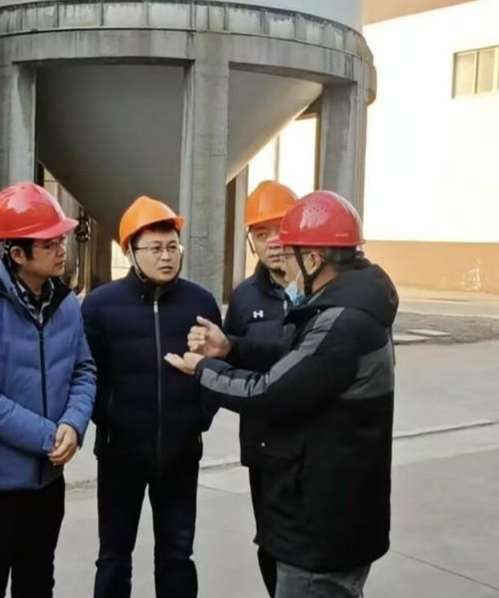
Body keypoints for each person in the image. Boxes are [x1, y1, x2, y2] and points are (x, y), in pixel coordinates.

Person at [167, 191, 397, 598]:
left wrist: (203, 369)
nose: (285, 267)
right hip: (327, 506)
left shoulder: (343, 322)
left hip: (321, 525)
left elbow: (270, 391)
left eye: (290, 254)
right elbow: (295, 359)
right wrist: (231, 348)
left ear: (314, 260)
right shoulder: (350, 305)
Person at [0, 182, 96, 598]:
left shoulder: (66, 305)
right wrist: (50, 436)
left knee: (38, 582)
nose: (62, 249)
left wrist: (74, 424)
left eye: (61, 239)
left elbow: (84, 370)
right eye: (50, 244)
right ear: (17, 254)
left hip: (47, 483)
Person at [82, 196, 222, 598]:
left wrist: (199, 416)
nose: (166, 256)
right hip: (120, 454)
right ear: (130, 250)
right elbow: (87, 373)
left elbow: (217, 367)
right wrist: (110, 418)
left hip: (181, 454)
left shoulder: (200, 302)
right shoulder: (101, 305)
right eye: (156, 248)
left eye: (172, 246)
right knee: (113, 557)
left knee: (177, 555)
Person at [224, 180, 297, 597]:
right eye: (261, 233)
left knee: (312, 542)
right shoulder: (244, 298)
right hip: (264, 444)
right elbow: (230, 364)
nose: (273, 241)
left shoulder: (321, 288)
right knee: (269, 541)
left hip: (312, 442)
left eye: (281, 228)